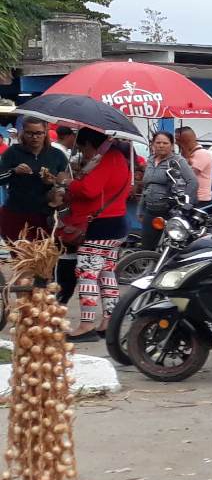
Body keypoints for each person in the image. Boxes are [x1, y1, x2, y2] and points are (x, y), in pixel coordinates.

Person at [58, 128, 132, 341]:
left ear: (90, 144)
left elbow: (89, 190)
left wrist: (69, 181)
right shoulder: (119, 157)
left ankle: (86, 325)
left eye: (83, 148)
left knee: (87, 273)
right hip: (116, 224)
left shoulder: (108, 159)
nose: (83, 153)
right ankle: (109, 321)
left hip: (101, 226)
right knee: (106, 274)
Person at [0, 117, 70, 242]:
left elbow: (67, 184)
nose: (34, 137)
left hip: (46, 215)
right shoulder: (12, 152)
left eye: (39, 133)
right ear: (23, 132)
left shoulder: (57, 155)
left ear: (45, 132)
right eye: (30, 133)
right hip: (16, 213)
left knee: (43, 257)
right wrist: (14, 171)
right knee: (20, 256)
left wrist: (54, 181)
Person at [138, 130, 197, 221]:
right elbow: (146, 186)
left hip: (170, 213)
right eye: (158, 142)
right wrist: (140, 209)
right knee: (148, 235)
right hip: (150, 212)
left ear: (172, 145)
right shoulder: (150, 160)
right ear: (153, 144)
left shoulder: (178, 160)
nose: (161, 145)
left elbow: (192, 182)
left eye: (165, 143)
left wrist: (186, 205)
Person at [175, 126, 212, 204]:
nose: (176, 142)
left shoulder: (202, 153)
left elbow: (188, 175)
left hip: (199, 198)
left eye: (178, 140)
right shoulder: (188, 154)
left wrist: (185, 150)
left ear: (186, 141)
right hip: (187, 196)